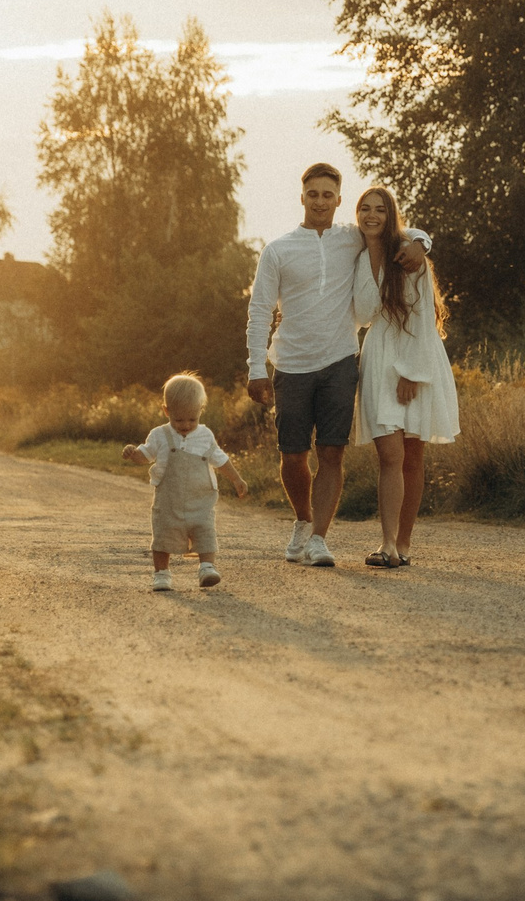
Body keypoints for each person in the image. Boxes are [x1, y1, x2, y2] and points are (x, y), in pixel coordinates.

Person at [245, 163, 429, 568]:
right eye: (314, 194)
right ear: (303, 197)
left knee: (332, 453)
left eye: (329, 195)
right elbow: (259, 310)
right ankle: (302, 519)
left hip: (341, 363)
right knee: (293, 455)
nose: (321, 202)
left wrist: (422, 241)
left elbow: (397, 229)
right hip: (291, 364)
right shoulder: (278, 249)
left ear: (339, 200)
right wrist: (256, 367)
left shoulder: (353, 239)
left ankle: (318, 539)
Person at [349, 186, 461, 568]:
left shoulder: (411, 255)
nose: (372, 215)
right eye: (365, 208)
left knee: (412, 455)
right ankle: (387, 543)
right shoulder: (360, 257)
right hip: (379, 355)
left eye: (380, 209)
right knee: (389, 454)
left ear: (391, 213)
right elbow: (363, 313)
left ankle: (404, 544)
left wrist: (413, 372)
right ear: (358, 213)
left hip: (416, 354)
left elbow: (421, 317)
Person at [122, 373, 247, 592]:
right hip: (169, 501)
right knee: (162, 535)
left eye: (192, 419)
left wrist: (236, 479)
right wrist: (133, 454)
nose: (186, 425)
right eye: (178, 419)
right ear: (167, 411)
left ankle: (207, 567)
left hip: (201, 499)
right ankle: (161, 573)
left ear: (200, 411)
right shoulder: (159, 435)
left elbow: (221, 459)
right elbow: (146, 454)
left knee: (205, 530)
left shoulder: (205, 436)